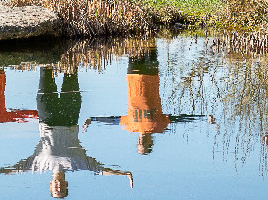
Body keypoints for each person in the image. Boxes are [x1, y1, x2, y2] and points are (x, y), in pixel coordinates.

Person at [0, 67, 131, 199]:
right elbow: (100, 170)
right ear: (66, 184)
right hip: (70, 116)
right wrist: (123, 174)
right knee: (71, 72)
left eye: (56, 189)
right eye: (61, 189)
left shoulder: (39, 165)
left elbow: (16, 169)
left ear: (50, 185)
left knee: (45, 72)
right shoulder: (78, 164)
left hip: (47, 117)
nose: (58, 186)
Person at [84, 48, 217, 154]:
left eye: (139, 145)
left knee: (134, 46)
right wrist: (203, 117)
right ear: (151, 143)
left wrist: (93, 119)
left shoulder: (130, 126)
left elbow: (113, 120)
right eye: (144, 145)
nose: (141, 143)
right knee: (150, 45)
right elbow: (179, 118)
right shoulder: (159, 126)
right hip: (152, 74)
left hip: (133, 75)